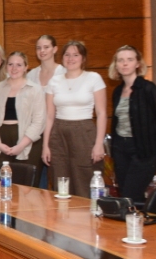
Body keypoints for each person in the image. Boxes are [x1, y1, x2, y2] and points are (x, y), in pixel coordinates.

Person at [108, 46, 156, 203]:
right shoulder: (117, 91)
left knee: (131, 194)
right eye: (120, 60)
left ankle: (137, 219)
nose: (125, 63)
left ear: (137, 64)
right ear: (116, 65)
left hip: (144, 151)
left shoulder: (148, 89)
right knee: (125, 195)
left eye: (129, 59)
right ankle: (133, 219)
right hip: (121, 150)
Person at [42, 41, 107, 198]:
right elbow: (49, 116)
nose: (71, 58)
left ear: (83, 58)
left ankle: (88, 212)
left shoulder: (93, 78)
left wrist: (99, 144)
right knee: (60, 179)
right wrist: (45, 146)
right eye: (67, 55)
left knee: (84, 177)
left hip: (84, 132)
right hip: (58, 134)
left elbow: (102, 113)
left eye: (75, 55)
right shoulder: (54, 81)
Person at [0, 52, 46, 178]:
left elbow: (39, 121)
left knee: (25, 183)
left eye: (19, 65)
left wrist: (21, 145)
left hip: (28, 142)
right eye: (10, 64)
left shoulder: (35, 89)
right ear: (6, 66)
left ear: (26, 67)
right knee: (0, 183)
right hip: (0, 142)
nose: (14, 68)